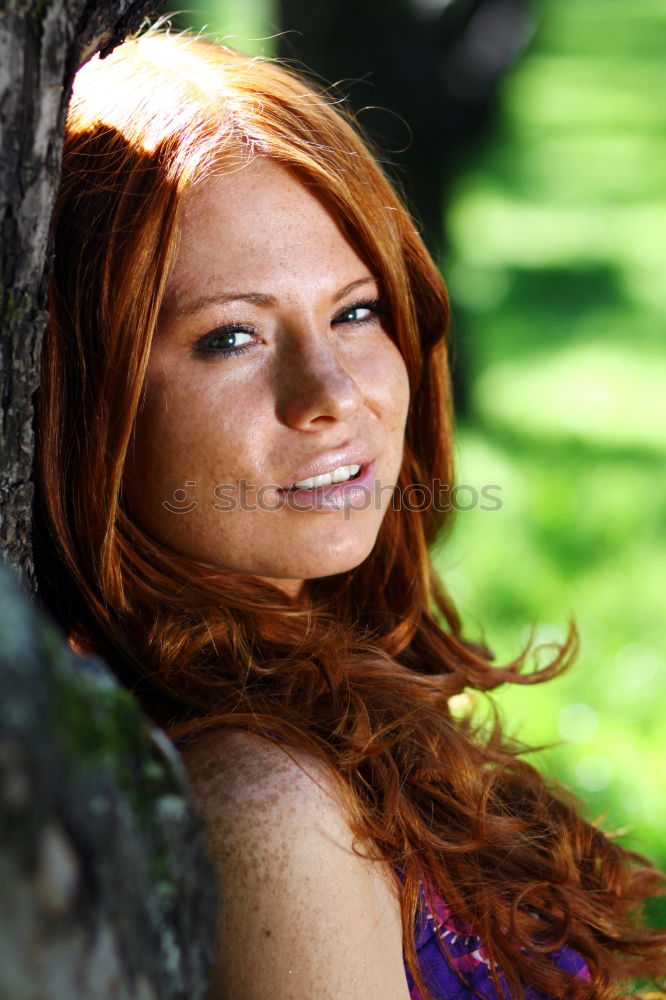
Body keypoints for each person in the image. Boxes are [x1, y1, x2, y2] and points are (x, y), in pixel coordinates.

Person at [34, 29, 665, 1000]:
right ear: (88, 391)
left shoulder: (329, 685)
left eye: (357, 311)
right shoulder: (271, 804)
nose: (328, 392)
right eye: (230, 336)